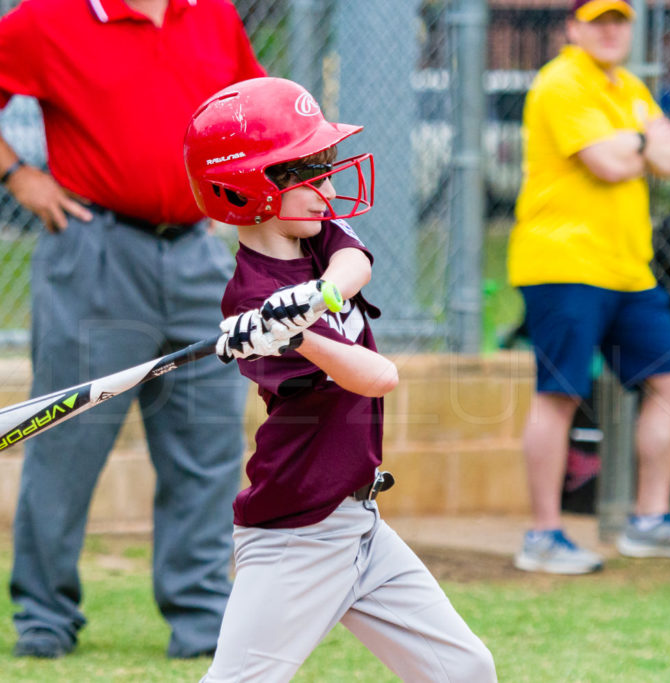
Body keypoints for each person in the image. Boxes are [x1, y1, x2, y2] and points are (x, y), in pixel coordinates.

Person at [0, 0, 265, 659]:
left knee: (209, 444)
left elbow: (248, 109)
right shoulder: (52, 17)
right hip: (96, 251)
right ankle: (45, 616)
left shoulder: (212, 14)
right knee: (67, 440)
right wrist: (19, 176)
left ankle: (203, 622)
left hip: (197, 250)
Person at [184, 76, 497, 682]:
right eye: (310, 176)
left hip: (359, 523)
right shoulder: (250, 303)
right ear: (253, 189)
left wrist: (314, 297)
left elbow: (355, 263)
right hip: (297, 536)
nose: (328, 189)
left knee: (464, 670)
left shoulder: (314, 236)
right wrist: (293, 333)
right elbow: (377, 376)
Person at [507, 0, 670, 575]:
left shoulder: (628, 85)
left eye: (619, 21)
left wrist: (630, 142)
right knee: (559, 393)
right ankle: (543, 535)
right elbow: (606, 163)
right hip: (564, 263)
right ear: (572, 27)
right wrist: (640, 142)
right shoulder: (561, 82)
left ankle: (649, 522)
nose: (609, 31)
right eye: (597, 20)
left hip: (628, 267)